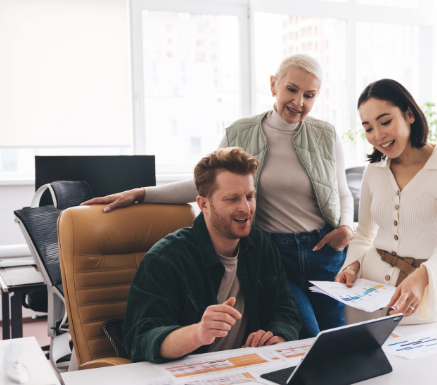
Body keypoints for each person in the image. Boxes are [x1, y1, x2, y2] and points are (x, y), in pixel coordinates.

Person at [84, 54, 353, 338]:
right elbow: (207, 184)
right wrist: (142, 194)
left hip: (323, 251)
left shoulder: (326, 134)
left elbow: (343, 193)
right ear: (274, 84)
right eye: (292, 89)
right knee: (307, 338)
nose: (299, 102)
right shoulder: (241, 132)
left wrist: (346, 229)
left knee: (338, 340)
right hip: (275, 254)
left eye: (309, 95)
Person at [123, 147, 301, 363]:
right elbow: (141, 339)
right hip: (188, 377)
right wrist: (197, 333)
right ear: (203, 204)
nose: (246, 208)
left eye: (250, 196)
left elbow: (285, 307)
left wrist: (278, 337)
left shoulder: (259, 243)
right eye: (232, 199)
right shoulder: (165, 259)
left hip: (247, 368)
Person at [334, 79, 437, 325]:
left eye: (385, 122)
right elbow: (364, 234)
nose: (377, 136)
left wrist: (422, 277)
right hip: (365, 293)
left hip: (418, 296)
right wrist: (351, 265)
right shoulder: (374, 171)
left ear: (409, 114)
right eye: (368, 128)